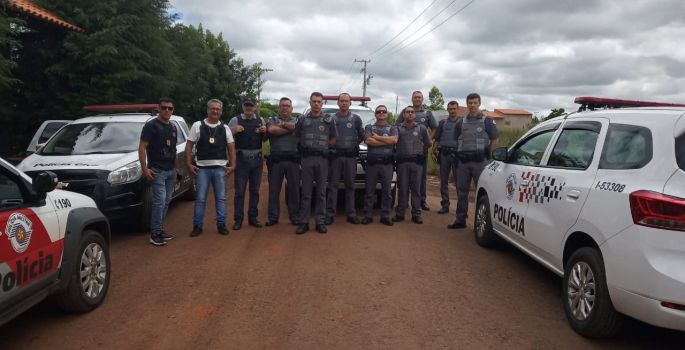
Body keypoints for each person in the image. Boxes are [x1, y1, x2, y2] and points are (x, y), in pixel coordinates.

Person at [185, 99, 236, 236]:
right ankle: (197, 226)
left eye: (218, 109)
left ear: (221, 111)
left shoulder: (225, 128)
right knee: (200, 199)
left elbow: (231, 148)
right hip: (202, 169)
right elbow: (189, 146)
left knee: (221, 198)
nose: (215, 111)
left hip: (220, 169)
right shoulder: (197, 126)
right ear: (208, 110)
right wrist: (189, 164)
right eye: (212, 108)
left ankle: (221, 224)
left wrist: (233, 165)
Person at [448, 93, 499, 229]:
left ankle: (481, 222)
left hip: (480, 162)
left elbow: (494, 139)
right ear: (467, 104)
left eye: (475, 103)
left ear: (479, 104)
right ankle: (460, 219)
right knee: (462, 191)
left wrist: (491, 156)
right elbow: (456, 139)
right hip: (464, 162)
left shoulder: (487, 121)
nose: (472, 105)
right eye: (470, 103)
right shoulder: (461, 122)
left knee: (482, 193)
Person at [138, 97, 179, 246]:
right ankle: (154, 234)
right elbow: (142, 147)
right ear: (158, 109)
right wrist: (145, 169)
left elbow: (173, 148)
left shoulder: (173, 126)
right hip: (157, 171)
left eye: (170, 108)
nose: (167, 110)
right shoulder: (151, 126)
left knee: (166, 201)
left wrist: (175, 167)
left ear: (173, 110)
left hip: (170, 171)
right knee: (159, 202)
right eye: (164, 107)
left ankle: (160, 230)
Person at [295, 92, 337, 234]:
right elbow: (297, 137)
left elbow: (333, 139)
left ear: (322, 103)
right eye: (314, 101)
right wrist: (304, 149)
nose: (316, 104)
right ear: (310, 102)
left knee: (321, 193)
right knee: (306, 192)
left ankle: (320, 221)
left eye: (319, 101)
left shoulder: (329, 120)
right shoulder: (302, 119)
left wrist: (323, 148)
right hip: (307, 159)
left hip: (322, 160)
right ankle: (304, 222)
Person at [325, 93, 364, 225]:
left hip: (350, 157)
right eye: (341, 101)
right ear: (338, 103)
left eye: (346, 101)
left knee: (350, 186)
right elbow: (328, 137)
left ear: (350, 103)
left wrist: (352, 146)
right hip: (335, 157)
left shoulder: (356, 119)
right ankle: (330, 214)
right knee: (333, 186)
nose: (344, 103)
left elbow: (361, 136)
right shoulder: (331, 119)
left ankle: (351, 214)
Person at [228, 96, 267, 230]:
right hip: (241, 160)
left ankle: (253, 218)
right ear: (243, 106)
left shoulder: (260, 120)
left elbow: (265, 139)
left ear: (255, 106)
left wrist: (264, 131)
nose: (249, 107)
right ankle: (238, 219)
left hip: (257, 160)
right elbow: (226, 136)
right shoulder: (235, 120)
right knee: (239, 192)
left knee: (255, 191)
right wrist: (233, 130)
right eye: (246, 105)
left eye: (251, 105)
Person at [395, 91, 437, 211]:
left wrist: (427, 140)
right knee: (404, 180)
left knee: (421, 178)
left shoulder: (428, 113)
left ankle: (421, 202)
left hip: (421, 151)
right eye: (415, 97)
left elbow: (434, 128)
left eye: (419, 97)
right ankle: (404, 204)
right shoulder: (405, 111)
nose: (417, 99)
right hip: (405, 152)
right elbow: (396, 127)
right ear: (412, 99)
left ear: (422, 99)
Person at [393, 105, 432, 224]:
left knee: (416, 189)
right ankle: (400, 213)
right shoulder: (397, 128)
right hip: (402, 163)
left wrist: (420, 150)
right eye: (407, 112)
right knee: (402, 189)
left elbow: (428, 143)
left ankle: (416, 214)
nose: (410, 114)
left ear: (414, 115)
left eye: (412, 112)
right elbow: (393, 141)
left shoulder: (421, 128)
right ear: (403, 115)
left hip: (416, 163)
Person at [265, 97, 300, 226]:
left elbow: (298, 129)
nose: (285, 108)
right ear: (279, 108)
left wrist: (283, 125)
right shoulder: (271, 120)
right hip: (276, 160)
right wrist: (290, 129)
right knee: (274, 191)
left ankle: (295, 216)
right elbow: (272, 130)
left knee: (294, 190)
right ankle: (273, 217)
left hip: (293, 160)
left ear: (292, 108)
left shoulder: (297, 120)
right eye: (282, 105)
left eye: (287, 106)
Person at [361, 105, 398, 226]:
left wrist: (377, 138)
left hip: (387, 164)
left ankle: (385, 215)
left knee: (387, 191)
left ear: (387, 114)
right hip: (373, 164)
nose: (381, 113)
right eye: (378, 111)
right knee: (369, 191)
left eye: (384, 111)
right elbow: (368, 141)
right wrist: (385, 141)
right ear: (375, 114)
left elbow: (394, 140)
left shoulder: (392, 128)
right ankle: (368, 215)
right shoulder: (369, 127)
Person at [433, 100, 461, 214]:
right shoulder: (442, 123)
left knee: (459, 182)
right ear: (447, 109)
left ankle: (461, 207)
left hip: (457, 155)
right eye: (450, 109)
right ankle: (445, 205)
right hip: (444, 154)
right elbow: (437, 139)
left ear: (457, 109)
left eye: (454, 109)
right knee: (443, 181)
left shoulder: (463, 122)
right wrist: (433, 152)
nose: (452, 111)